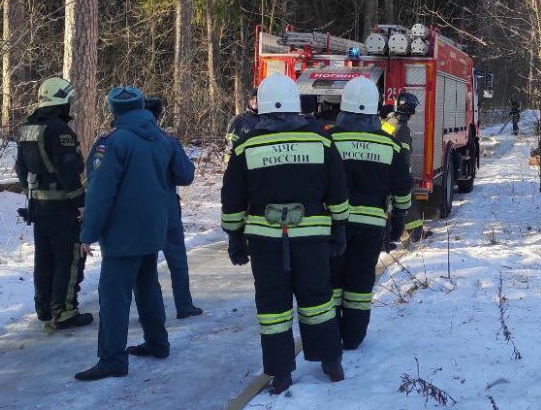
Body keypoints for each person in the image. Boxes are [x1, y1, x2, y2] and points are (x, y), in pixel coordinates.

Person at [220, 74, 350, 395]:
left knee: (273, 307)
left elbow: (232, 199)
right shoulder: (321, 141)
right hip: (312, 239)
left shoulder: (246, 147)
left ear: (261, 107)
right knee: (318, 299)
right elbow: (338, 191)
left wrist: (235, 238)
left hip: (265, 242)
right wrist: (339, 228)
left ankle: (280, 374)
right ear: (297, 105)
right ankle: (331, 361)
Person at [75, 86, 177, 382]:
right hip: (152, 228)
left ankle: (112, 359)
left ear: (113, 110)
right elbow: (181, 175)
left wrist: (87, 233)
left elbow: (100, 192)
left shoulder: (113, 143)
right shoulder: (161, 139)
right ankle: (158, 342)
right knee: (147, 286)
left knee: (113, 296)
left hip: (122, 233)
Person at [327, 78, 412, 350]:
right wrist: (399, 220)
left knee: (333, 279)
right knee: (361, 281)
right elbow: (402, 188)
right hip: (371, 226)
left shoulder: (328, 140)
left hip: (333, 225)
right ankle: (353, 337)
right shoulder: (390, 146)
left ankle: (331, 333)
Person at [14, 76, 92, 330]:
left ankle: (45, 307)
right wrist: (81, 202)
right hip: (62, 208)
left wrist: (31, 194)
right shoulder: (59, 130)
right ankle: (65, 310)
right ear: (62, 102)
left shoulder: (27, 127)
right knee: (68, 258)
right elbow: (69, 169)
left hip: (39, 207)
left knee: (44, 258)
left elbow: (21, 168)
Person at [144, 96, 202, 320]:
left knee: (145, 265)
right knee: (177, 259)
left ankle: (149, 311)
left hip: (138, 213)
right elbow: (186, 176)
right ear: (159, 116)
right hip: (166, 209)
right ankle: (184, 305)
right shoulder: (168, 142)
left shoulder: (119, 141)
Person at [382, 92, 429, 242]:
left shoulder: (388, 121)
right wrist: (406, 176)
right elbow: (404, 156)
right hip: (394, 171)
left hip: (382, 168)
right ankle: (416, 233)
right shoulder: (402, 129)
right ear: (410, 111)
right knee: (408, 198)